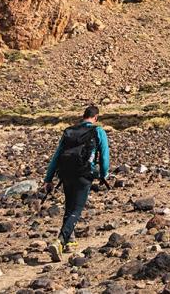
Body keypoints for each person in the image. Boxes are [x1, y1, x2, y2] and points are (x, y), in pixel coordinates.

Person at [42, 104, 111, 261]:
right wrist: (103, 174)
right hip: (84, 174)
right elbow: (105, 155)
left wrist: (48, 179)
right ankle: (60, 241)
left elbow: (57, 156)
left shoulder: (70, 131)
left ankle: (69, 241)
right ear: (95, 117)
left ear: (83, 116)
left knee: (69, 207)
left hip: (66, 174)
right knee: (76, 210)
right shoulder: (97, 130)